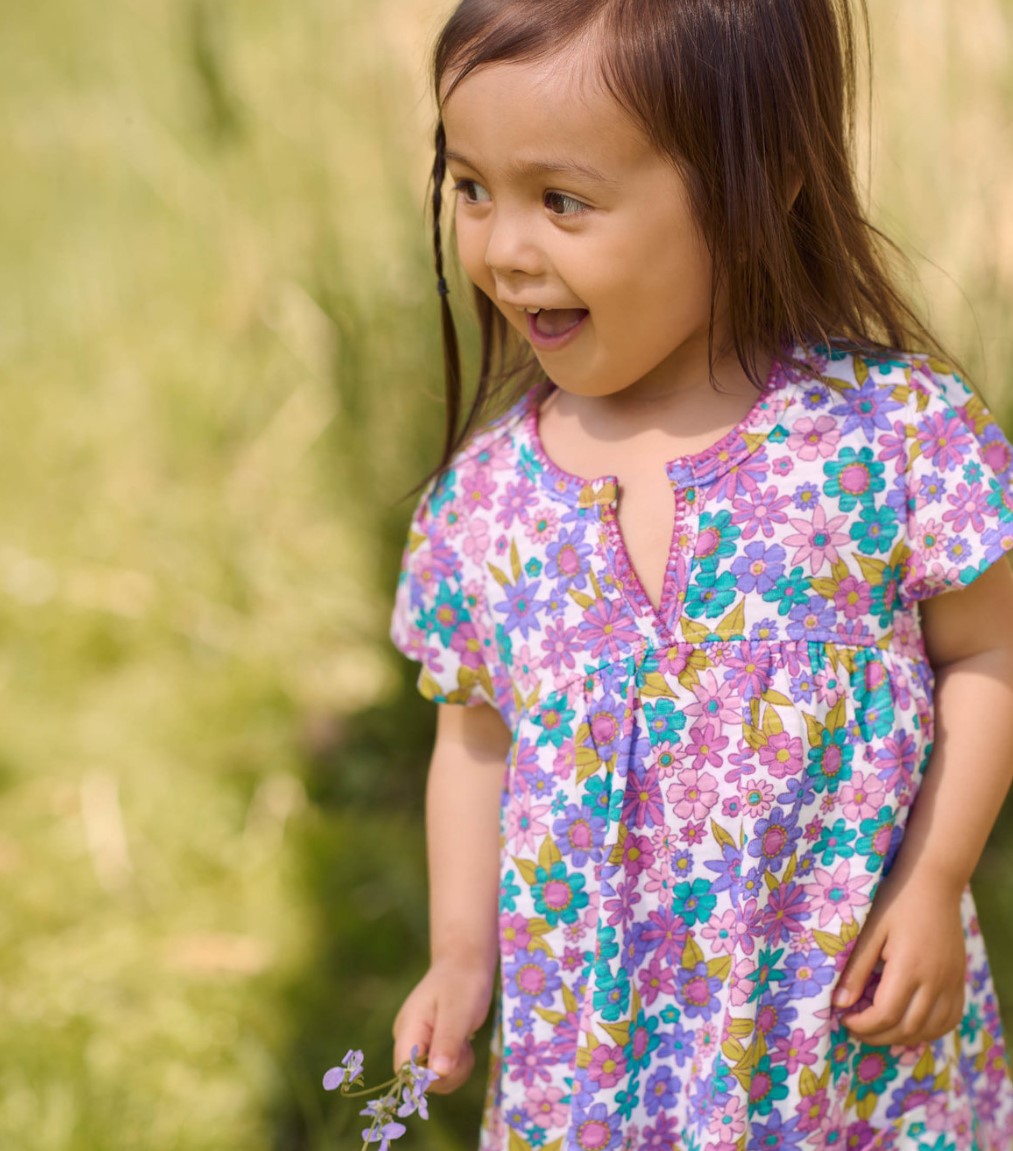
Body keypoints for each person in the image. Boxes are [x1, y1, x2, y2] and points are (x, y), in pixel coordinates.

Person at [387, 1, 1013, 1147]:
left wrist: (932, 880)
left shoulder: (884, 437)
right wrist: (461, 952)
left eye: (560, 199)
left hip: (839, 1053)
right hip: (595, 1064)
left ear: (754, 180)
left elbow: (986, 648)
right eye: (471, 186)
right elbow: (474, 738)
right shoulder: (483, 508)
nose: (504, 247)